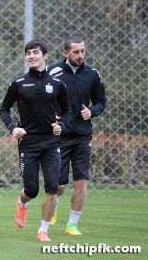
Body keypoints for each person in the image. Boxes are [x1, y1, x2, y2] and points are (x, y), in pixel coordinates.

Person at [0, 39, 71, 242]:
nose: (31, 56)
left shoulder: (57, 83)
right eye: (28, 53)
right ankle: (22, 203)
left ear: (45, 55)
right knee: (31, 189)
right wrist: (14, 128)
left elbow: (68, 111)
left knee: (53, 187)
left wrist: (62, 126)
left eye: (35, 52)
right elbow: (3, 109)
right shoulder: (19, 83)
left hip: (51, 142)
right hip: (28, 143)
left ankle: (43, 230)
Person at [47, 36, 106, 235]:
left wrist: (92, 111)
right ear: (65, 53)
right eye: (76, 52)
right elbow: (41, 99)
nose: (80, 55)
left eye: (82, 51)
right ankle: (51, 207)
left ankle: (72, 225)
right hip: (59, 135)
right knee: (59, 185)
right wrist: (51, 115)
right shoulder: (52, 72)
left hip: (82, 135)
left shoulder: (92, 74)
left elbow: (100, 101)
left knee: (81, 180)